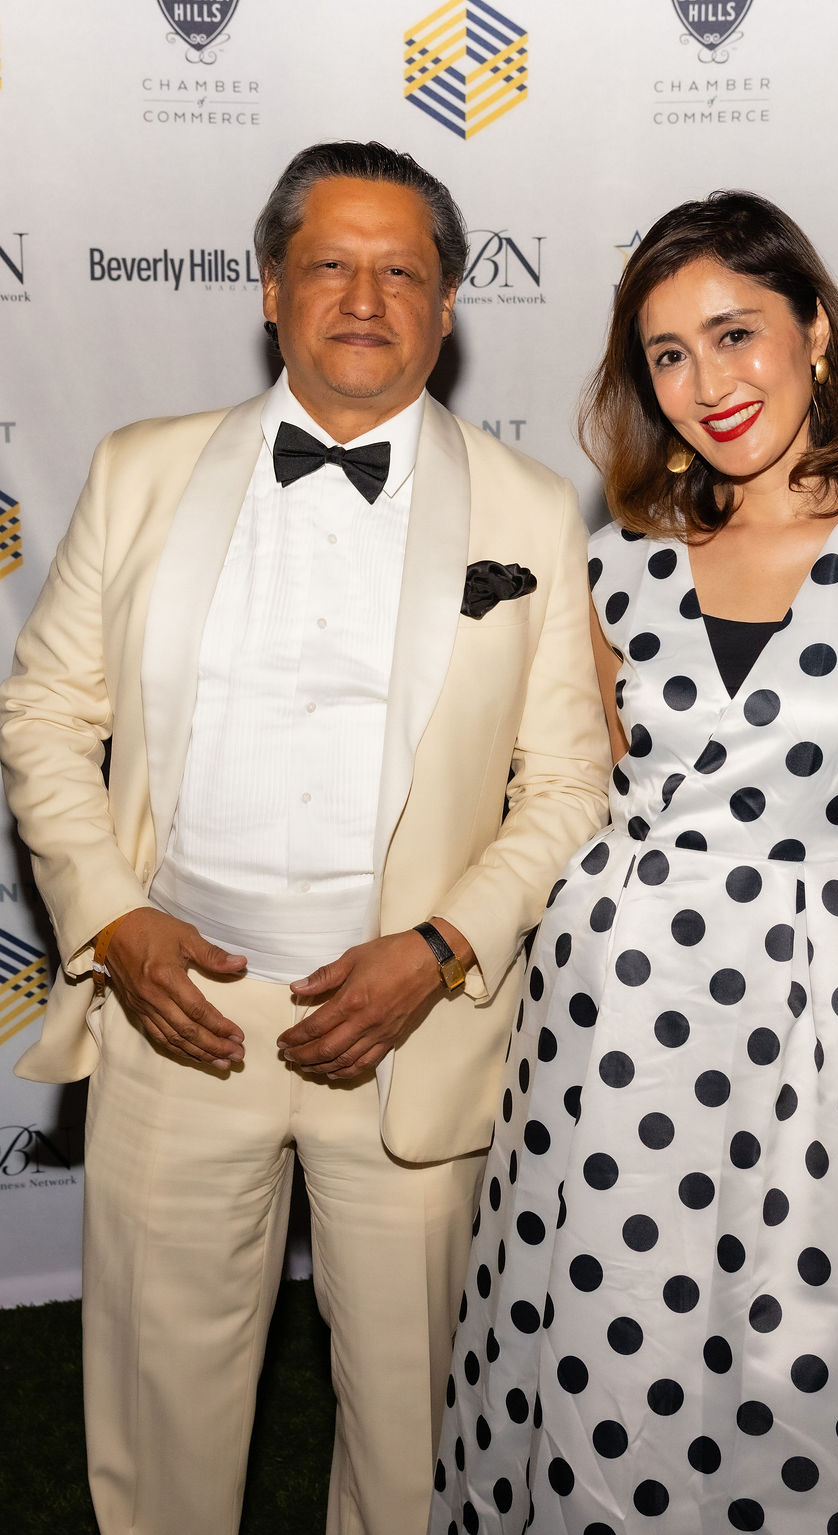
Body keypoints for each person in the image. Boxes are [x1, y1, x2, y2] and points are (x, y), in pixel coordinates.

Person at [0, 141, 609, 1535]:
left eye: (403, 271)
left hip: (411, 1032)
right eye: (330, 263)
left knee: (412, 1434)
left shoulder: (528, 504)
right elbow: (45, 711)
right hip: (178, 1016)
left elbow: (570, 781)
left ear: (446, 309)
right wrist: (111, 918)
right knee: (156, 1418)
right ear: (271, 287)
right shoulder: (141, 469)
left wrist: (441, 950)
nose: (365, 298)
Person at [429, 191, 838, 1534]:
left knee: (800, 1357)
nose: (708, 384)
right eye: (669, 355)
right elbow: (570, 791)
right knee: (603, 1334)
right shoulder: (616, 562)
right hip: (608, 1023)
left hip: (821, 1026)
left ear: (816, 332)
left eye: (736, 333)